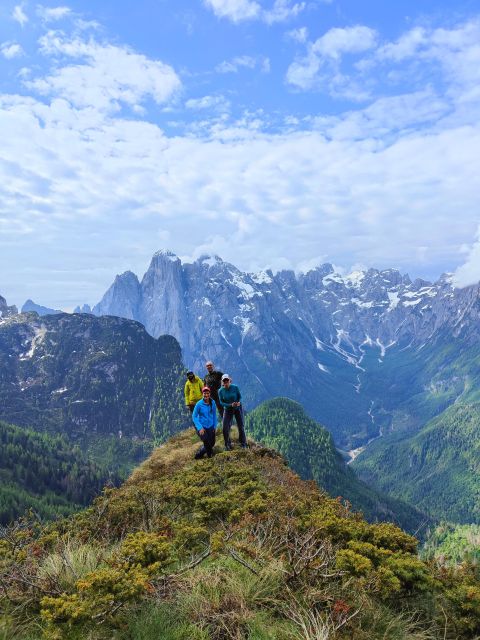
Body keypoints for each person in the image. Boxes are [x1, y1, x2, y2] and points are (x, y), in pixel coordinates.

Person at [218, 374, 247, 451]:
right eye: (224, 381)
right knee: (225, 427)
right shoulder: (220, 391)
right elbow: (221, 402)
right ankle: (227, 444)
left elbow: (240, 397)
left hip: (237, 408)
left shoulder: (235, 387)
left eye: (227, 380)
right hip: (227, 409)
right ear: (222, 382)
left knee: (241, 426)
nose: (226, 382)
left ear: (229, 380)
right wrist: (230, 405)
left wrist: (239, 402)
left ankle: (243, 444)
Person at [192, 386, 217, 459]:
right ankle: (210, 457)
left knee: (212, 443)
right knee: (206, 441)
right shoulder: (199, 404)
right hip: (202, 427)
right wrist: (200, 428)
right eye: (204, 393)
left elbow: (214, 415)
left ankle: (199, 454)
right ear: (202, 394)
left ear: (209, 393)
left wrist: (215, 426)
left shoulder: (213, 402)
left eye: (207, 393)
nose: (206, 395)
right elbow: (194, 416)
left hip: (211, 426)